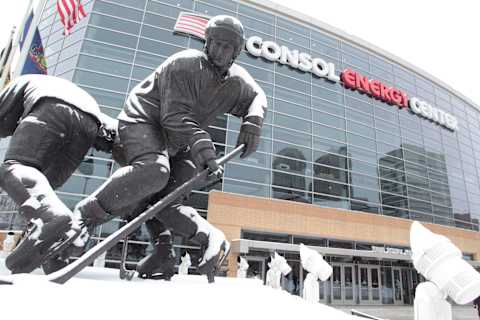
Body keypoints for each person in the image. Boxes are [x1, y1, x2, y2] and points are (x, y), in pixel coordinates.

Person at [69, 15, 267, 282]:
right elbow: (173, 116)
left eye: (226, 47)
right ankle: (83, 218)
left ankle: (169, 252)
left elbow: (257, 97)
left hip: (181, 138)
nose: (219, 51)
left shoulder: (236, 83)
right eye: (215, 44)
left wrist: (253, 121)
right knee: (155, 171)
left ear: (236, 52)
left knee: (171, 197)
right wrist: (200, 142)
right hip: (146, 121)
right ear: (206, 43)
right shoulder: (185, 65)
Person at [0, 74, 117, 274]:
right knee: (41, 192)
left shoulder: (20, 83)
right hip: (89, 126)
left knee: (14, 167)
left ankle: (52, 219)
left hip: (52, 107)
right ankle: (54, 254)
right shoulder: (66, 88)